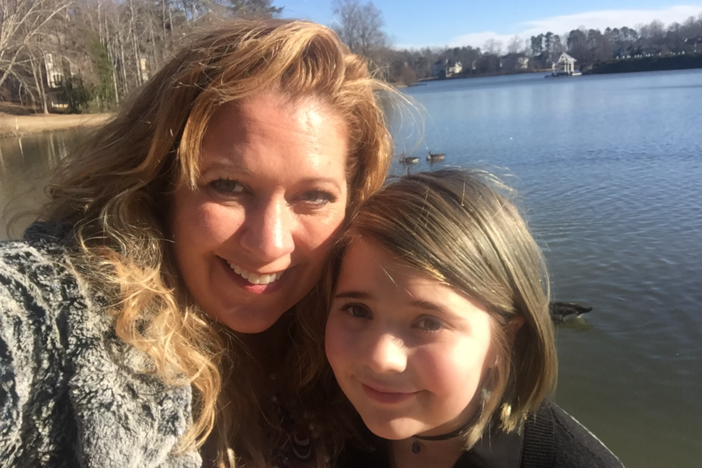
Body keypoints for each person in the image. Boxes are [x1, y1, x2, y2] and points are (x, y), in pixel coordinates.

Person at [0, 19, 396, 468]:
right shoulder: (65, 312)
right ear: (157, 184)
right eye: (227, 185)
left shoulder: (358, 329)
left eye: (314, 196)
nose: (269, 244)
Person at [317, 169, 624, 468]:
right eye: (357, 310)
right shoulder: (315, 430)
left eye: (429, 322)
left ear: (504, 339)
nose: (380, 358)